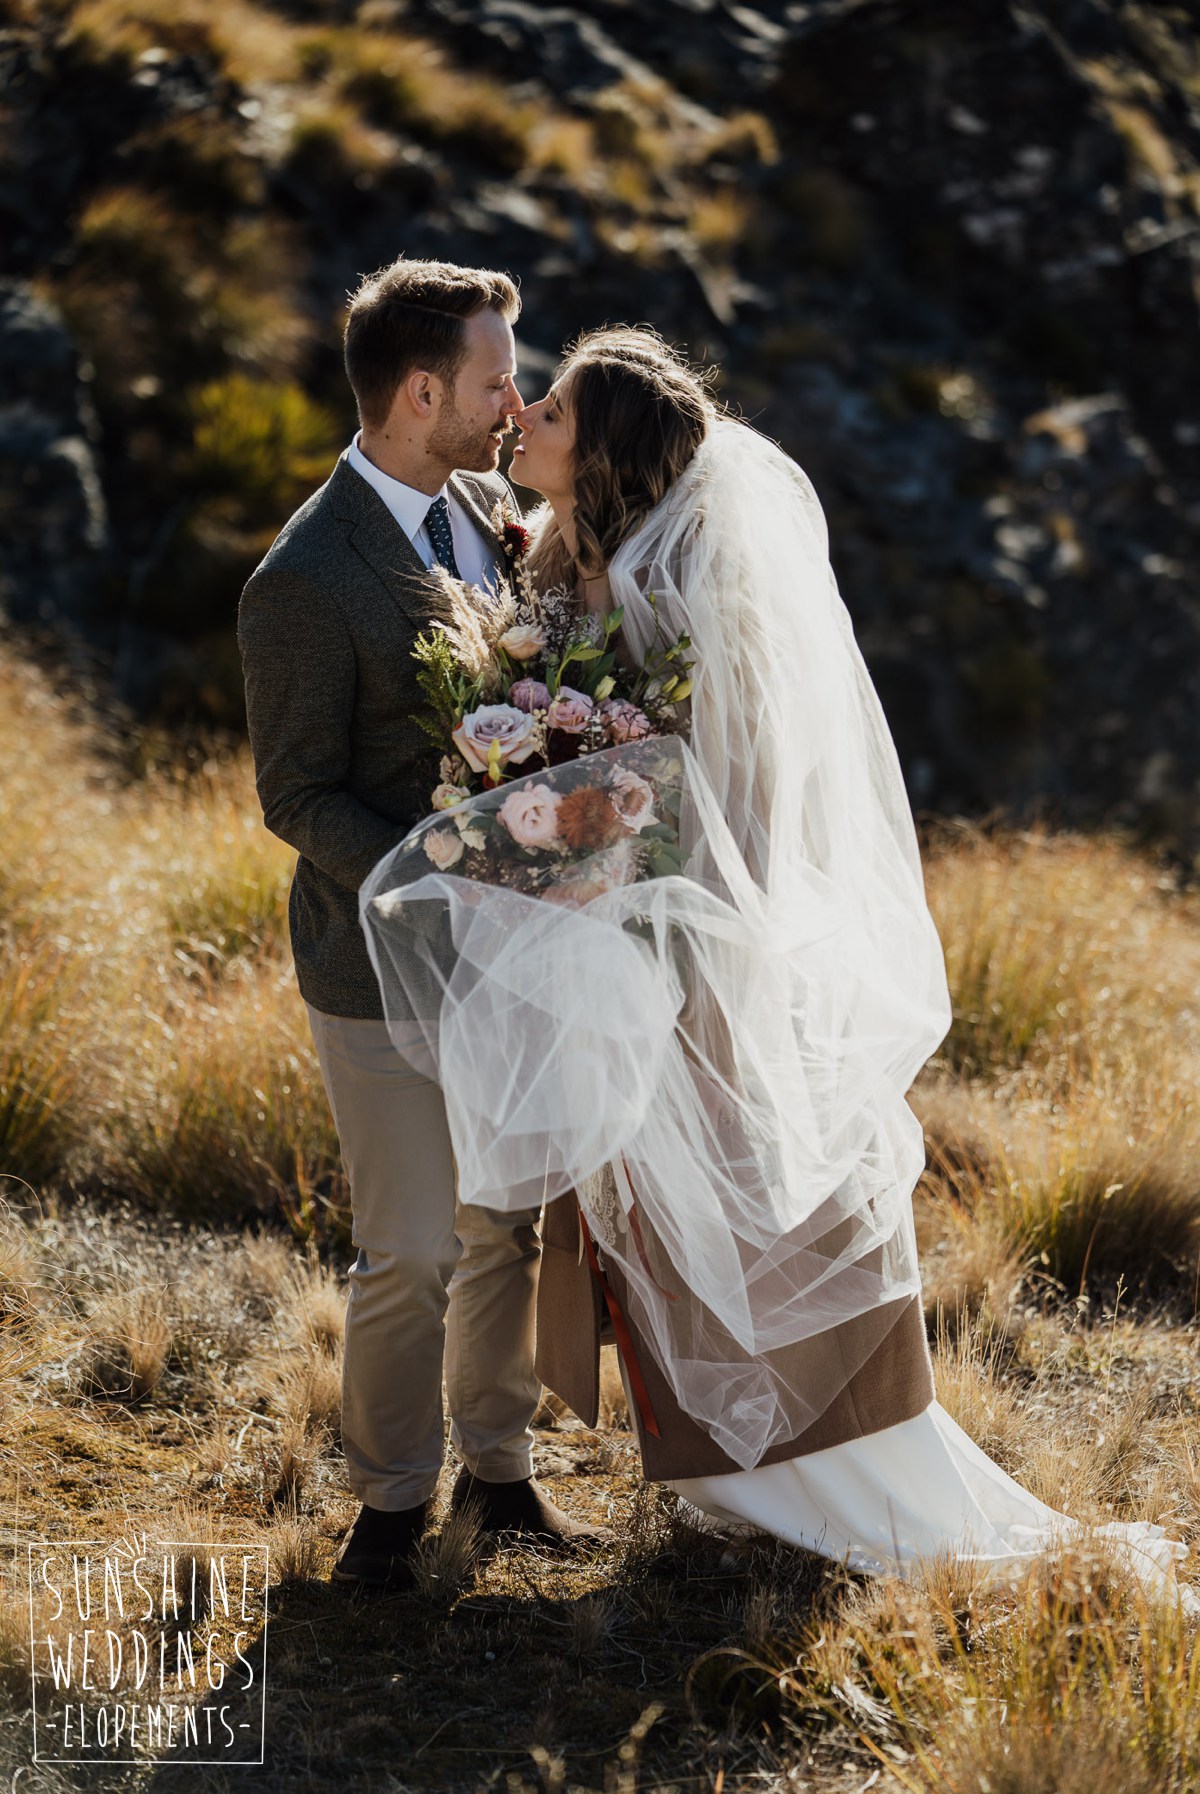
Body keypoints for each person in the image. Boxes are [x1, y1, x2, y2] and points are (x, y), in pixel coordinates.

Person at [361, 327, 1197, 1611]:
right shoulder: (546, 557)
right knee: (655, 1217)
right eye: (521, 395)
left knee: (742, 1196)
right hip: (602, 953)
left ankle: (814, 1474)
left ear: (613, 450)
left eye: (558, 409)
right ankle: (715, 1470)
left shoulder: (698, 592)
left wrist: (619, 854)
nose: (523, 413)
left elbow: (735, 789)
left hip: (690, 950)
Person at [237, 257, 608, 1593]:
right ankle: (389, 1507)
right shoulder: (304, 578)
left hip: (509, 954)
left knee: (504, 1222)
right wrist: (430, 871)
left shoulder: (483, 507)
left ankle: (499, 1476)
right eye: (497, 378)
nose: (517, 399)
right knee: (412, 1246)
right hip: (380, 966)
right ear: (418, 392)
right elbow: (295, 793)